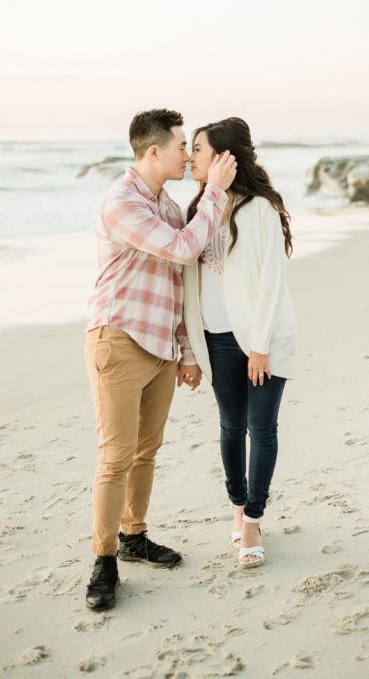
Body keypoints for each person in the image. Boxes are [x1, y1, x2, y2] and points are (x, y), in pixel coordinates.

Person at [84, 109, 237, 611]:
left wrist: (187, 353)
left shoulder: (167, 205)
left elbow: (178, 285)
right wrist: (215, 191)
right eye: (180, 148)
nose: (187, 156)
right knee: (115, 457)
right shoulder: (120, 203)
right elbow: (180, 251)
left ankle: (134, 536)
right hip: (120, 341)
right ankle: (103, 561)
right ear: (154, 152)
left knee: (146, 452)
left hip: (161, 350)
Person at [182, 117, 296, 569]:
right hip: (214, 338)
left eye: (198, 149)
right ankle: (236, 504)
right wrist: (190, 346)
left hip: (260, 339)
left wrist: (260, 344)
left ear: (224, 158)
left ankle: (253, 518)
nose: (190, 156)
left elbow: (272, 281)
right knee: (231, 427)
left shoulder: (259, 210)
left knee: (262, 428)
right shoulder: (199, 210)